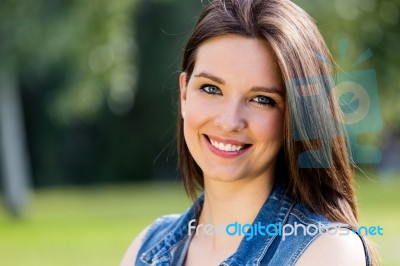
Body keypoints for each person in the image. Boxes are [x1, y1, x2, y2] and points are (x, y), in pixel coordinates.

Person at [121, 0, 379, 265]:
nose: (229, 122)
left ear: (298, 116)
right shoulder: (146, 249)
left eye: (262, 99)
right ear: (185, 93)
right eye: (211, 89)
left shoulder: (327, 251)